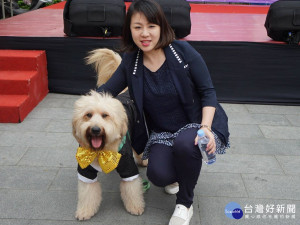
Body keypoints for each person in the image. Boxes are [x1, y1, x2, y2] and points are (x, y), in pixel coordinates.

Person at [96, 0, 230, 224]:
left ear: (162, 27)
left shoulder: (182, 52)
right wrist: (85, 112)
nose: (145, 33)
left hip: (196, 123)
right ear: (129, 30)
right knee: (158, 175)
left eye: (151, 26)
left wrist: (206, 126)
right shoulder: (131, 61)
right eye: (137, 27)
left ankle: (185, 204)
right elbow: (105, 92)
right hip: (163, 132)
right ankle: (183, 170)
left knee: (187, 145)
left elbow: (208, 93)